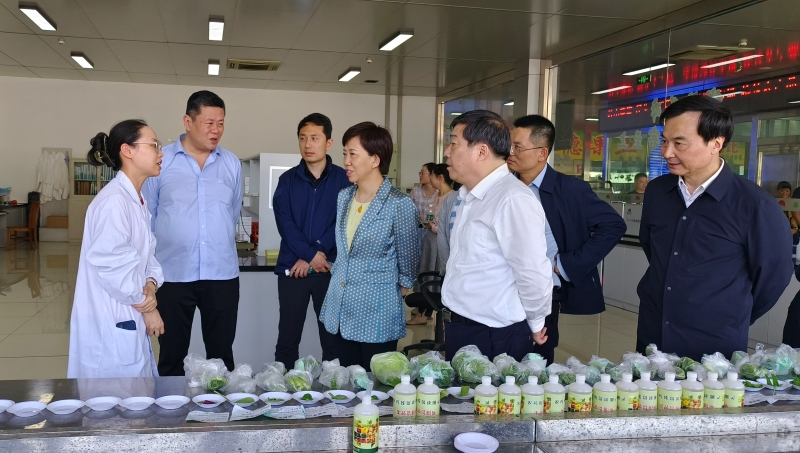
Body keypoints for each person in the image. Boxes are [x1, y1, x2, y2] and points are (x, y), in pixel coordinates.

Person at [636, 95, 793, 360]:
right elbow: (654, 250)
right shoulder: (657, 192)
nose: (666, 153)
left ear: (716, 143)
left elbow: (773, 278)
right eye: (664, 141)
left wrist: (729, 314)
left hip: (713, 348)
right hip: (653, 334)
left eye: (679, 143)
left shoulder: (754, 205)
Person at [508, 115, 626, 365]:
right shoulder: (504, 188)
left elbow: (613, 225)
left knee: (536, 364)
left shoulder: (569, 189)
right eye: (510, 146)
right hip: (503, 290)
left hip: (544, 292)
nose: (510, 153)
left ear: (542, 153)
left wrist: (566, 264)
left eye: (518, 147)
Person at [142, 90, 242, 375]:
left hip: (221, 275)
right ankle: (170, 403)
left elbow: (232, 212)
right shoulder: (162, 162)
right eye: (209, 123)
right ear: (188, 122)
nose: (216, 130)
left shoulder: (231, 163)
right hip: (173, 275)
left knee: (221, 355)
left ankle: (220, 402)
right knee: (172, 354)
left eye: (221, 123)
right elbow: (148, 217)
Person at [441, 110, 552, 362]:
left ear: (481, 151)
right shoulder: (469, 196)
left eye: (454, 143)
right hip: (463, 326)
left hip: (493, 335)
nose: (447, 152)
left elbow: (532, 271)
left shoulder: (512, 199)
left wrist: (536, 321)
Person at [68, 119, 165, 378]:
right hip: (111, 322)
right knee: (112, 398)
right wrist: (149, 307)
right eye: (154, 145)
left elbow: (148, 256)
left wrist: (151, 284)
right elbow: (116, 271)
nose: (161, 153)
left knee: (133, 393)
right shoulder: (113, 203)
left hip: (129, 313)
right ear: (127, 150)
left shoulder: (136, 201)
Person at [319, 122, 419, 369]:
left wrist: (392, 292)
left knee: (376, 383)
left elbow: (408, 263)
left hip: (377, 312)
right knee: (347, 381)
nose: (346, 161)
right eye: (345, 153)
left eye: (353, 154)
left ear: (375, 159)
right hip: (340, 308)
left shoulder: (398, 203)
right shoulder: (344, 197)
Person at [272, 113, 351, 369]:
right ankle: (283, 386)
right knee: (287, 337)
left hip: (328, 270)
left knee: (332, 339)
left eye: (315, 138)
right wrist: (309, 255)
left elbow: (343, 223)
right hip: (292, 271)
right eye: (302, 138)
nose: (308, 144)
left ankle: (335, 386)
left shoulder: (344, 180)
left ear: (329, 143)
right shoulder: (287, 180)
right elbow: (285, 224)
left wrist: (314, 254)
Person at [406, 163, 457, 325]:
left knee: (435, 273)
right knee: (425, 272)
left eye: (432, 176)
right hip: (430, 239)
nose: (429, 179)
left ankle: (430, 313)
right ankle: (423, 311)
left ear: (440, 177)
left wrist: (433, 226)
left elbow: (446, 226)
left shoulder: (452, 198)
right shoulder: (437, 196)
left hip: (438, 241)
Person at [410, 163, 439, 250]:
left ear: (432, 175)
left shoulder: (439, 193)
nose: (420, 175)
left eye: (423, 173)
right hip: (417, 230)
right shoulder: (416, 191)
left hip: (433, 232)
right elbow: (408, 210)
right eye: (420, 173)